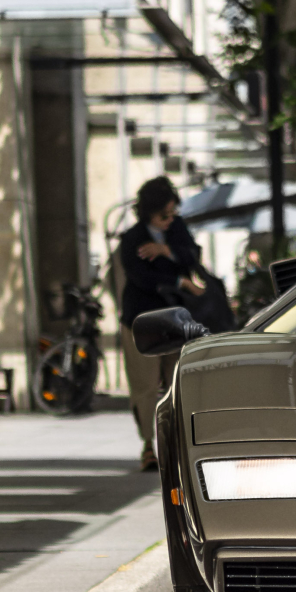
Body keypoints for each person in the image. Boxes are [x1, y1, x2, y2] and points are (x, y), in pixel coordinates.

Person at [116, 177, 212, 471]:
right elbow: (139, 278)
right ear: (148, 213)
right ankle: (148, 446)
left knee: (177, 384)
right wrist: (177, 280)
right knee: (145, 386)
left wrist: (166, 251)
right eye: (163, 216)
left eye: (173, 214)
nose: (170, 220)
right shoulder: (131, 239)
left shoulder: (177, 229)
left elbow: (192, 254)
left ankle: (176, 445)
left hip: (176, 321)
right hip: (141, 321)